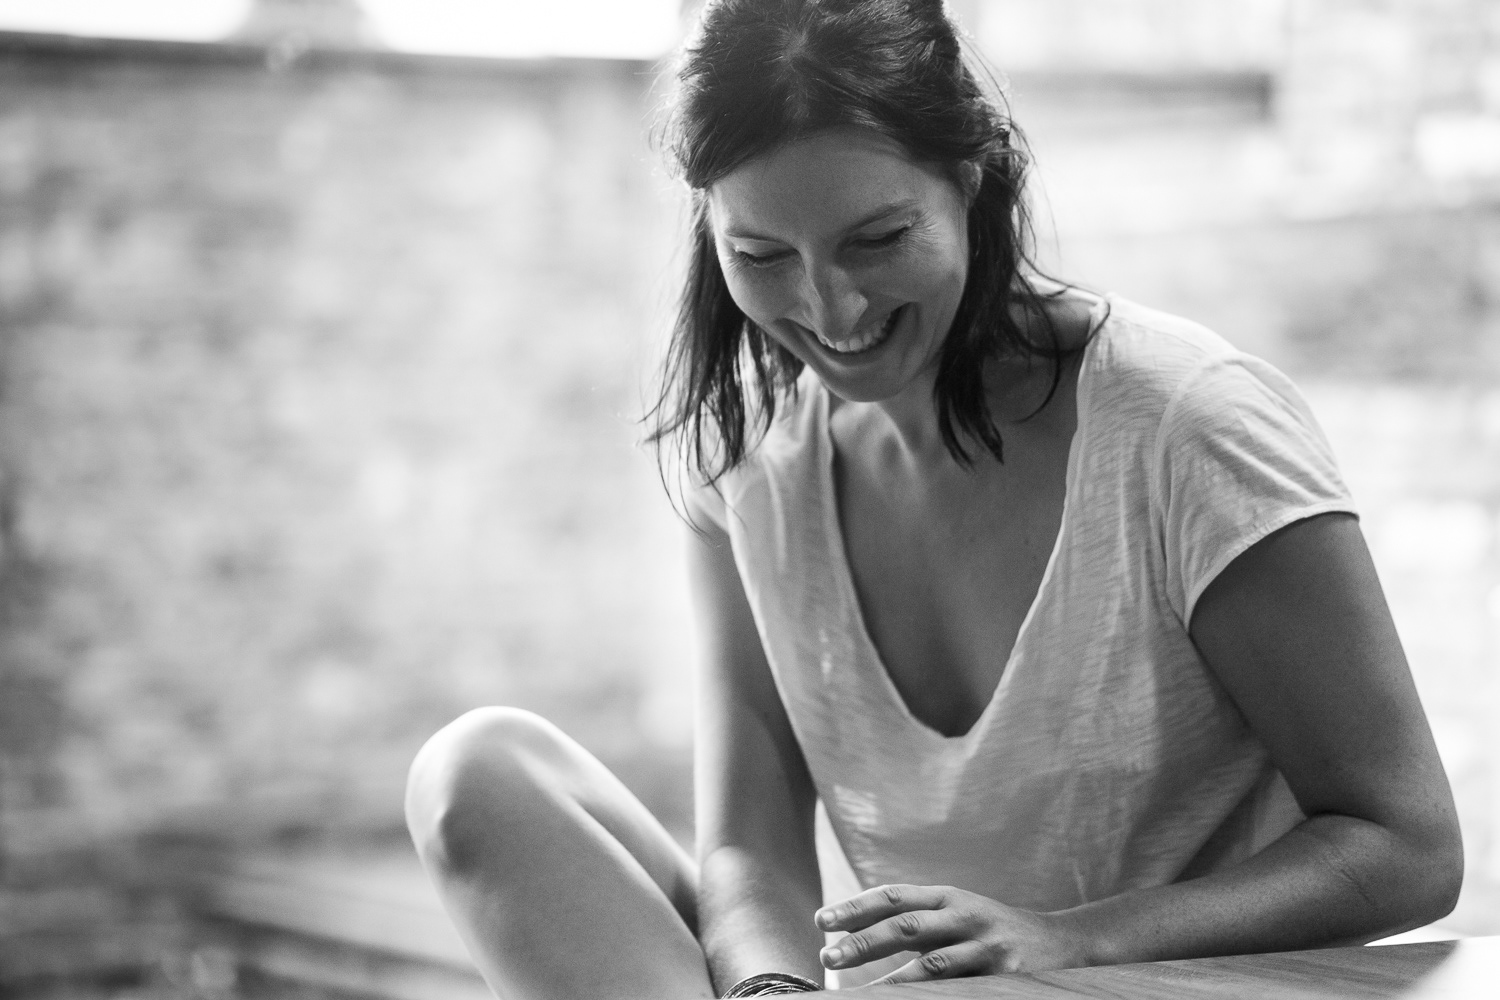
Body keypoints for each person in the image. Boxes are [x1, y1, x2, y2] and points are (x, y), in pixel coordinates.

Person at [403, 2, 1464, 998]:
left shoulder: (1186, 424)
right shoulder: (750, 463)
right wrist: (772, 989)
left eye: (876, 240)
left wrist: (1072, 940)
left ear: (972, 175)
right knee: (477, 773)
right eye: (761, 255)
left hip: (1149, 981)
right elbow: (749, 850)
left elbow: (1406, 843)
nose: (830, 309)